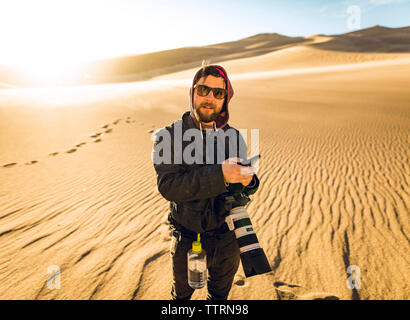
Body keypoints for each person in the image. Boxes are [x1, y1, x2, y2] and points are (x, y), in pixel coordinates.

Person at [152, 64, 260, 300]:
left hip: (227, 239)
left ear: (225, 99)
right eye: (203, 90)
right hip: (187, 240)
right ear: (192, 93)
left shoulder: (233, 137)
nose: (210, 97)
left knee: (219, 298)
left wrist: (249, 181)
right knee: (181, 298)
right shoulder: (168, 137)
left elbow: (241, 183)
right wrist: (220, 175)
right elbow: (168, 186)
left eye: (218, 93)